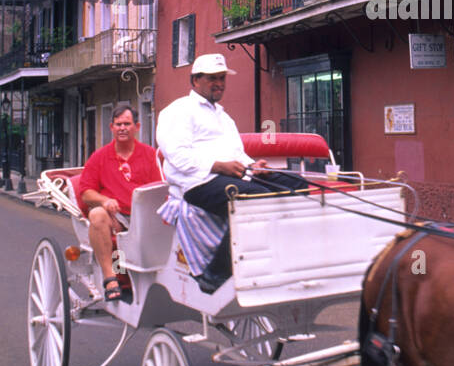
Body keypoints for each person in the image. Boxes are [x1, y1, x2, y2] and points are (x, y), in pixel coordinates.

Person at [156, 53, 309, 290]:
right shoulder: (178, 111)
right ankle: (215, 274)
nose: (219, 83)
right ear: (195, 80)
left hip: (230, 176)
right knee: (254, 198)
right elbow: (177, 156)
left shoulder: (223, 117)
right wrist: (217, 165)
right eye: (212, 78)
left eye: (222, 78)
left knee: (297, 184)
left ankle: (282, 251)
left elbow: (237, 154)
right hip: (197, 183)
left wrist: (254, 166)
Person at [78, 102, 162, 302]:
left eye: (127, 124)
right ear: (111, 128)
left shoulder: (150, 155)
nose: (122, 128)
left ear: (137, 127)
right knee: (97, 214)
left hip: (145, 217)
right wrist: (105, 201)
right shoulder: (99, 157)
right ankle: (111, 278)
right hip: (115, 217)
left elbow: (160, 189)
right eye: (118, 124)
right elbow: (85, 193)